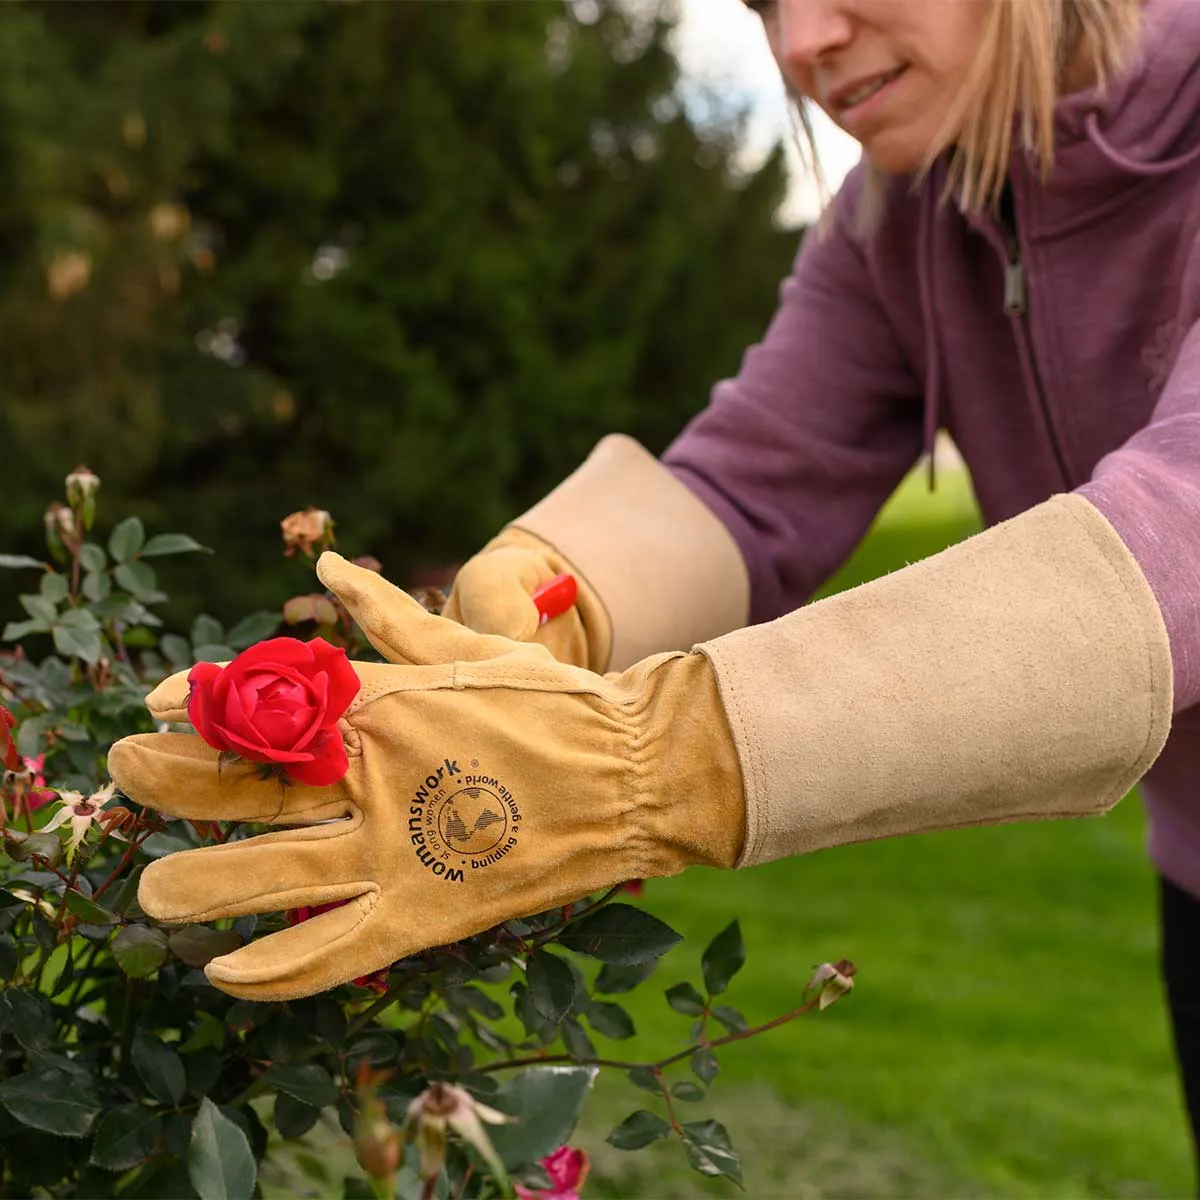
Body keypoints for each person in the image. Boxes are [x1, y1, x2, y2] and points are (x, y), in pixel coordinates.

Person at [109, 0, 1200, 1173]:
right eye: (764, 4)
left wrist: (648, 764)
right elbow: (753, 484)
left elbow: (1178, 532)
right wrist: (554, 598)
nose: (797, 45)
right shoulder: (905, 210)